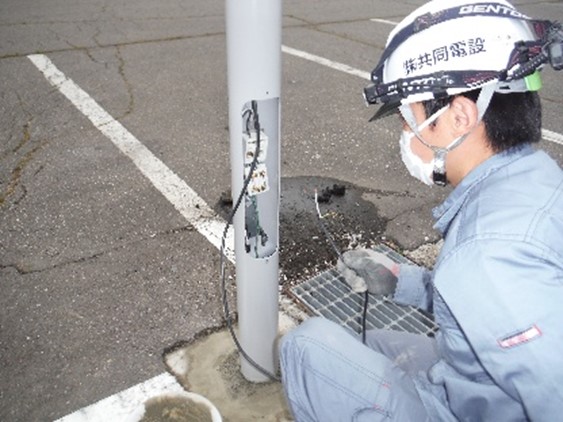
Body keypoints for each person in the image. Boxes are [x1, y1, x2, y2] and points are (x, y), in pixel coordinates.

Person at [279, 0, 563, 420]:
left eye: (406, 118)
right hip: (475, 384)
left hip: (466, 409)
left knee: (304, 347)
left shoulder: (489, 256)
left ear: (460, 116)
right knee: (367, 344)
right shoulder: (537, 178)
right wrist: (401, 282)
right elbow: (481, 301)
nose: (404, 134)